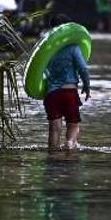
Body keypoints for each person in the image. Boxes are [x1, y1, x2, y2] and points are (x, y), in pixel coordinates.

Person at [42, 23, 92, 151]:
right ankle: (69, 145)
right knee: (73, 125)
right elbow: (83, 69)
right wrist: (86, 86)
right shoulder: (73, 48)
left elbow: (40, 71)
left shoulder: (46, 48)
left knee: (54, 128)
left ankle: (52, 156)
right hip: (69, 92)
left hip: (52, 93)